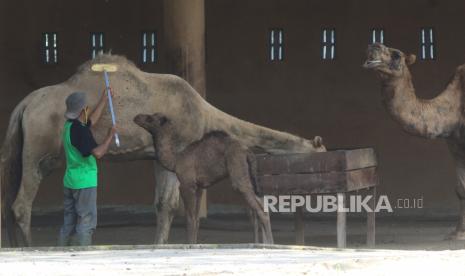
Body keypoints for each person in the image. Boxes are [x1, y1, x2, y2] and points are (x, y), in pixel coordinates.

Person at [58, 90, 116, 246]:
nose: (88, 110)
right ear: (83, 110)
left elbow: (90, 122)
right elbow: (98, 153)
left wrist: (104, 99)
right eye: (87, 108)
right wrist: (110, 136)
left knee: (68, 221)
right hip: (84, 183)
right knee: (86, 221)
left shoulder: (69, 126)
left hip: (70, 181)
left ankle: (61, 254)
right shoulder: (81, 131)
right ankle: (84, 258)